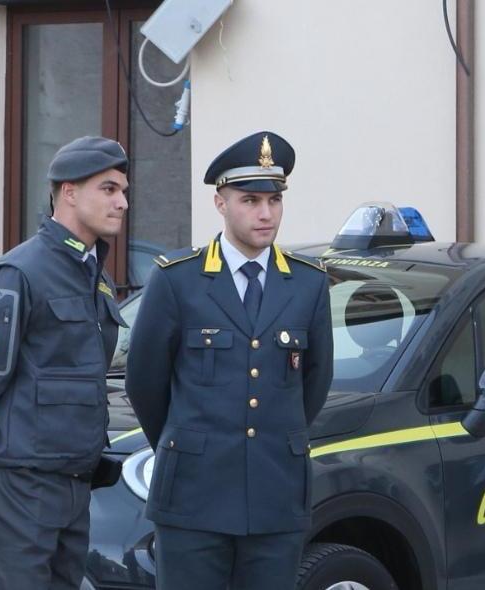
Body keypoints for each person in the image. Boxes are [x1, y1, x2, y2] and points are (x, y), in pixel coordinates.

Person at [125, 131, 333, 590]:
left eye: (274, 200)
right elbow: (144, 384)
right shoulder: (178, 280)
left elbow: (314, 384)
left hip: (275, 495)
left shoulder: (307, 283)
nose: (265, 213)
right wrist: (189, 443)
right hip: (193, 496)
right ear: (220, 203)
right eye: (250, 200)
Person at [0, 136, 130, 589]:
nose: (122, 202)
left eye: (124, 191)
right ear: (69, 192)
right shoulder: (19, 273)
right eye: (108, 189)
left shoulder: (94, 276)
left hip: (73, 482)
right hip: (20, 486)